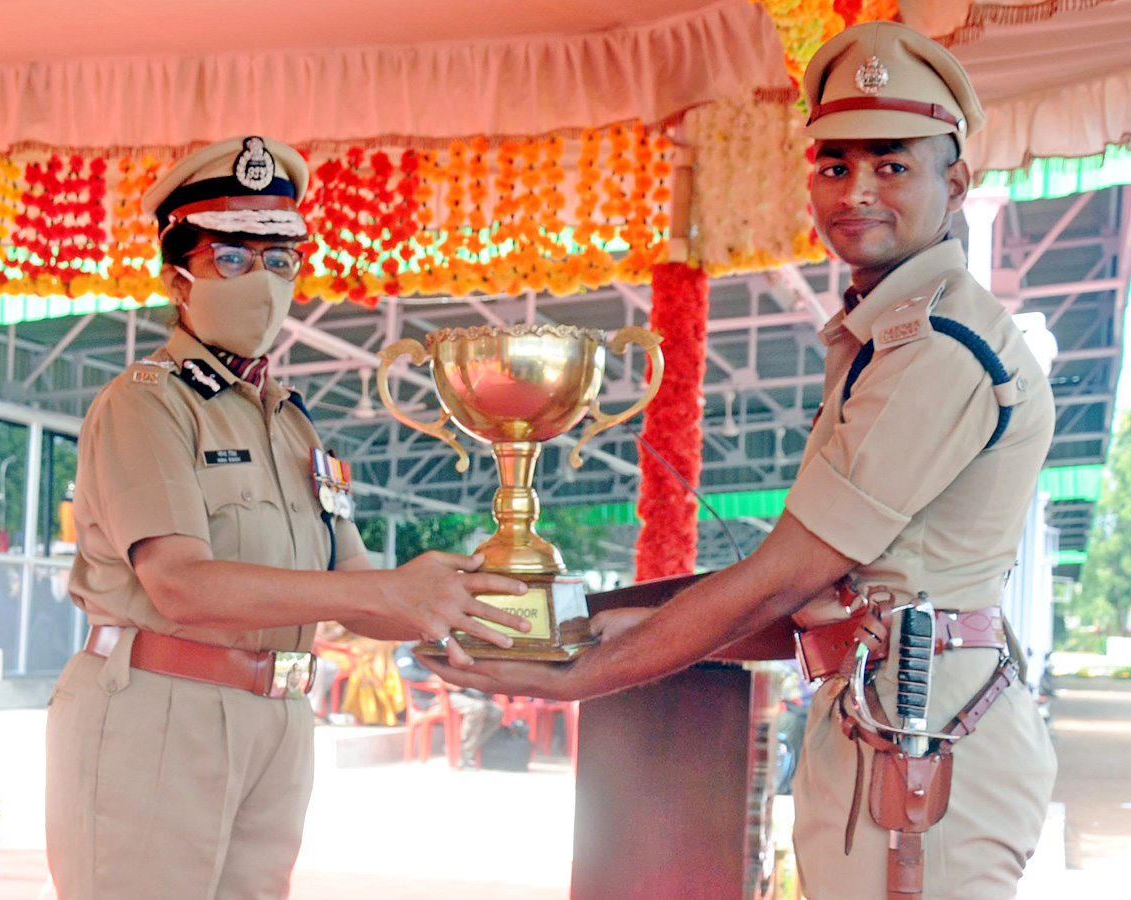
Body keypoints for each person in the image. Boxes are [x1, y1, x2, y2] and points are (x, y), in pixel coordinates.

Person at [424, 22, 1056, 900]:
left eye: (892, 163)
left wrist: (583, 676)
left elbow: (781, 577)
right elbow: (811, 592)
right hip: (892, 716)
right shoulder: (887, 334)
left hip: (924, 737)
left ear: (956, 182)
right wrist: (607, 630)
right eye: (834, 165)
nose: (857, 189)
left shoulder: (937, 346)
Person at [44, 135, 529, 900]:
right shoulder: (147, 403)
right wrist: (385, 596)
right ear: (179, 277)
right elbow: (181, 586)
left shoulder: (292, 424)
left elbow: (360, 584)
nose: (262, 283)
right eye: (231, 259)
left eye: (279, 262)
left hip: (277, 719)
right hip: (160, 710)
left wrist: (478, 611)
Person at [393, 641, 504, 770]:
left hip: (454, 694)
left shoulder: (433, 647)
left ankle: (459, 748)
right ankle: (466, 759)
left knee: (496, 712)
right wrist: (440, 680)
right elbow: (407, 673)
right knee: (475, 708)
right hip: (431, 697)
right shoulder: (405, 650)